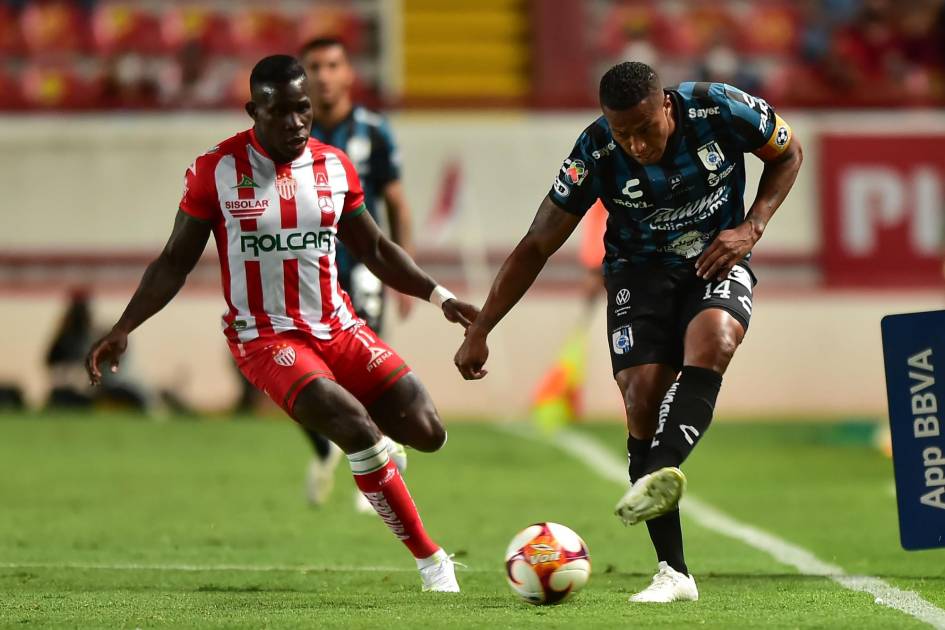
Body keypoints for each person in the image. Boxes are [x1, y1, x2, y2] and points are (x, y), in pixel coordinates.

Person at [86, 55, 477, 592]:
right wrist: (124, 326)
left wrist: (439, 296)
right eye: (281, 112)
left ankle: (377, 459)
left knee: (428, 432)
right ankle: (433, 563)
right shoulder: (217, 171)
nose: (296, 123)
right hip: (265, 338)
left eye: (303, 109)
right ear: (254, 111)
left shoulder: (335, 167)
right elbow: (174, 260)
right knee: (357, 431)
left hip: (340, 327)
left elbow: (375, 248)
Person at [455, 61, 802, 603]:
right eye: (624, 133)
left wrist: (751, 226)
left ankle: (659, 471)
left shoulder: (720, 107)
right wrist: (481, 328)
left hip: (715, 258)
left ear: (666, 104)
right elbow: (537, 243)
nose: (637, 145)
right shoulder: (594, 152)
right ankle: (674, 574)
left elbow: (788, 154)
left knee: (715, 340)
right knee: (641, 400)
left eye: (645, 128)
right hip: (637, 275)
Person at [297, 37, 416, 508]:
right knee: (303, 372)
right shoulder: (290, 131)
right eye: (315, 67)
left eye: (333, 65)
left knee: (364, 368)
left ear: (348, 74)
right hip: (305, 270)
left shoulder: (374, 130)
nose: (324, 76)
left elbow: (397, 204)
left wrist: (404, 275)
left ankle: (374, 467)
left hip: (363, 267)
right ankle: (326, 448)